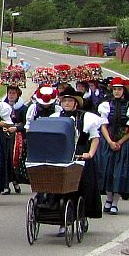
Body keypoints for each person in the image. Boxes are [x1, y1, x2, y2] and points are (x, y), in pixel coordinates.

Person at [50, 89, 102, 236]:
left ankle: (82, 215)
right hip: (61, 154)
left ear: (75, 103)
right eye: (65, 101)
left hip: (81, 154)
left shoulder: (86, 117)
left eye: (70, 101)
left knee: (83, 187)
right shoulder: (55, 117)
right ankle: (62, 221)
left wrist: (90, 154)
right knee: (61, 188)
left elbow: (95, 137)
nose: (67, 103)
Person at [95, 77, 129, 215]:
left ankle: (115, 202)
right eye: (115, 89)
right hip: (108, 141)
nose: (116, 92)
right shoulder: (106, 105)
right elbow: (103, 125)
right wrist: (110, 142)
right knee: (108, 171)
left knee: (119, 173)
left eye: (119, 89)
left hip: (124, 143)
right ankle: (108, 199)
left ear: (124, 91)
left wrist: (119, 143)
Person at [1, 85, 29, 195]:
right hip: (4, 136)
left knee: (13, 160)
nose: (11, 95)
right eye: (10, 93)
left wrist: (16, 128)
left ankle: (15, 181)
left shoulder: (22, 108)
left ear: (18, 95)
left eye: (13, 93)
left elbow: (26, 123)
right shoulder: (2, 106)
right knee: (4, 159)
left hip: (17, 138)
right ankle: (5, 184)